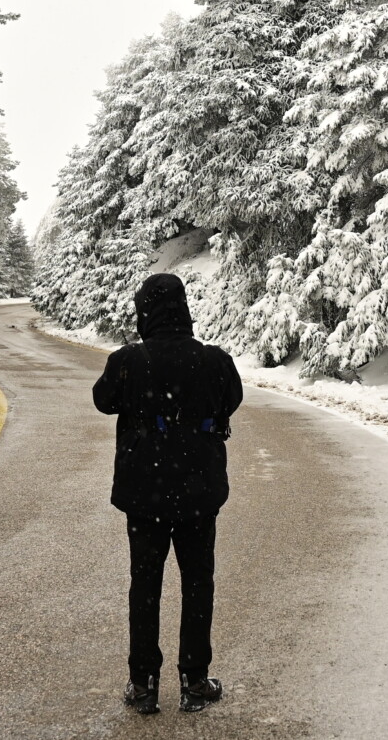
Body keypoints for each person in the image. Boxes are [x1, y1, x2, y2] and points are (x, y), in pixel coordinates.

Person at [92, 273, 243, 715]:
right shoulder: (215, 361)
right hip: (198, 493)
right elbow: (230, 400)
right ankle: (194, 682)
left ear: (146, 312)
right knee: (198, 585)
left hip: (145, 496)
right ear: (183, 309)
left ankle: (143, 685)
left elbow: (103, 400)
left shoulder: (128, 361)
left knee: (145, 586)